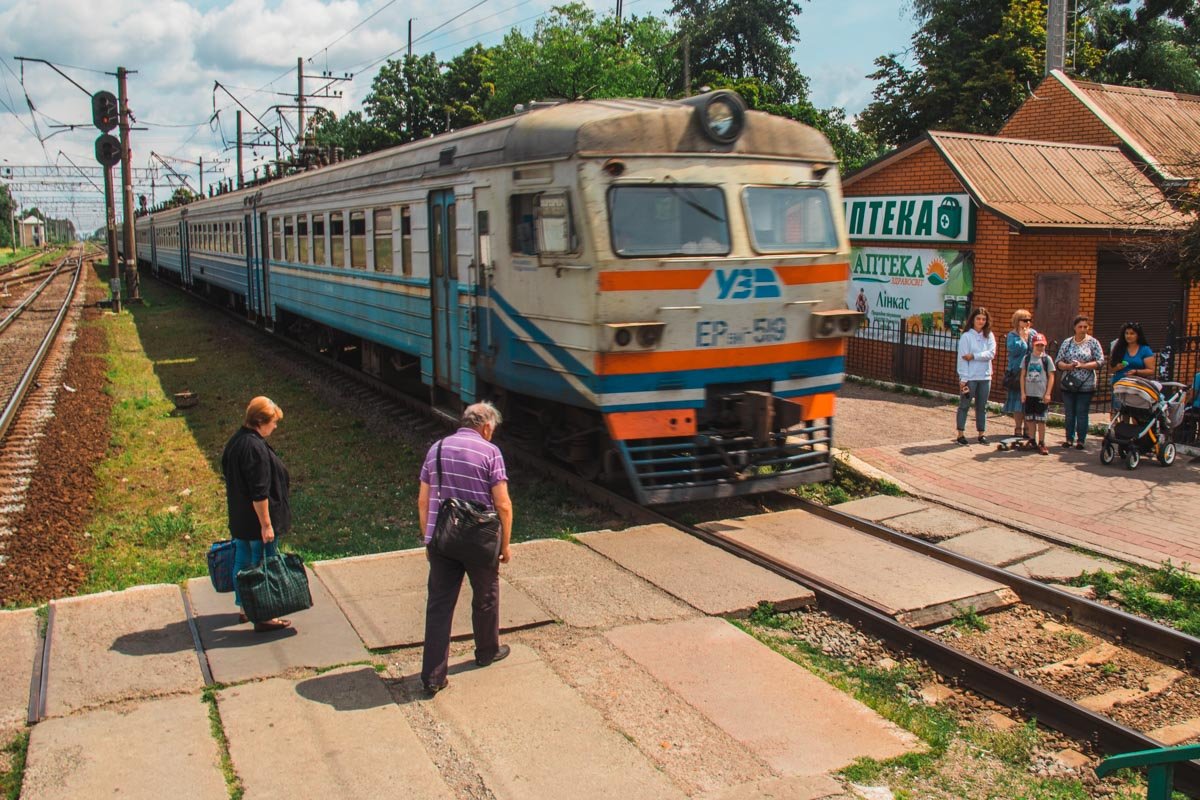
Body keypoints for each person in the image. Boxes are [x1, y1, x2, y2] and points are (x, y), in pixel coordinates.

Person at [419, 401, 514, 696]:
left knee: (439, 606)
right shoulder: (490, 452)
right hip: (480, 540)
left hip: (443, 539)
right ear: (486, 426)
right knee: (486, 596)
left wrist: (428, 538)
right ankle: (487, 651)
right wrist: (505, 545)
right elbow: (503, 504)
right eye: (492, 430)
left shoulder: (436, 449)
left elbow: (423, 501)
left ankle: (433, 677)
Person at [221, 396, 293, 632]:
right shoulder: (254, 448)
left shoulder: (236, 441)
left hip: (240, 517)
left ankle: (244, 608)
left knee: (242, 562)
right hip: (255, 520)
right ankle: (265, 615)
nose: (275, 427)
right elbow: (259, 491)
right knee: (265, 563)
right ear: (260, 421)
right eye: (273, 422)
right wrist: (266, 524)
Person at [1055, 315, 1104, 450]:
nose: (1082, 329)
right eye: (1080, 327)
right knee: (1069, 413)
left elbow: (1100, 361)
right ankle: (1069, 438)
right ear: (1074, 328)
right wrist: (1067, 366)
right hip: (1069, 383)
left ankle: (1081, 440)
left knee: (1081, 412)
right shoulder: (1067, 342)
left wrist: (1083, 365)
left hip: (1086, 384)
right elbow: (1058, 361)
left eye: (1085, 327)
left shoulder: (1093, 342)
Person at [955, 307, 996, 445]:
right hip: (970, 377)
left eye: (984, 319)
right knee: (964, 405)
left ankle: (981, 434)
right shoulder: (966, 336)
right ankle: (960, 433)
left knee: (982, 406)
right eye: (978, 319)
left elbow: (991, 354)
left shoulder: (989, 335)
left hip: (985, 377)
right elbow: (962, 358)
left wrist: (973, 356)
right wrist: (963, 378)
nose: (981, 321)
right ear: (973, 320)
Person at [1003, 309, 1036, 443]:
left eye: (1029, 320)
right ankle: (1017, 427)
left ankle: (1028, 429)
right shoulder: (1012, 335)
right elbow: (1015, 350)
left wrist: (1028, 337)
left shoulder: (1033, 333)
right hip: (1016, 373)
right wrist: (1022, 338)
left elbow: (1038, 349)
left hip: (1031, 373)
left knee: (1028, 401)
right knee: (1018, 401)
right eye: (1024, 320)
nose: (1027, 322)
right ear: (1017, 321)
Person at [1020, 334, 1056, 455]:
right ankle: (1032, 439)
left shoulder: (1047, 359)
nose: (1040, 347)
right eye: (1037, 345)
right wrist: (1023, 392)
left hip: (1041, 394)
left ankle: (1041, 442)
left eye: (1042, 345)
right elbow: (1022, 376)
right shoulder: (1027, 358)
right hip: (1029, 393)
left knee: (1041, 420)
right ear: (1033, 345)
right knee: (1030, 418)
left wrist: (1048, 393)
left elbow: (1051, 376)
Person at [1109, 322, 1156, 410]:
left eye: (1132, 333)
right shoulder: (1119, 348)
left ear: (1138, 335)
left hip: (1136, 386)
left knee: (1135, 411)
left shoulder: (1145, 349)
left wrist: (1136, 371)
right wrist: (1117, 367)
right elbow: (1111, 369)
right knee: (1119, 410)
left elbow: (1151, 370)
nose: (1128, 336)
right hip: (1119, 385)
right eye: (1126, 333)